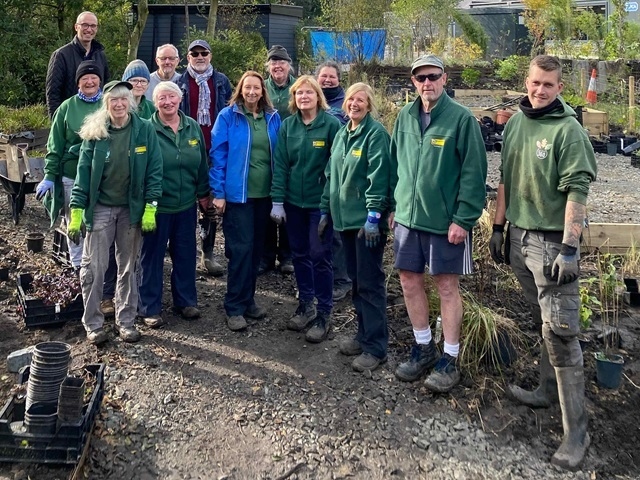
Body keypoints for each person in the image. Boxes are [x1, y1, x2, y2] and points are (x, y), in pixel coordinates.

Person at [490, 55, 596, 470]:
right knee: (543, 319)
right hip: (519, 236)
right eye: (535, 83)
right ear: (527, 81)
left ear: (559, 87)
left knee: (562, 333)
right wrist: (499, 228)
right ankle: (544, 390)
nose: (539, 90)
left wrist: (570, 248)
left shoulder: (568, 131)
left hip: (553, 244)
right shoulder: (517, 122)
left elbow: (577, 193)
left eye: (548, 85)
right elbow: (505, 178)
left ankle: (577, 435)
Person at [390, 54, 487, 392]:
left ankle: (450, 357)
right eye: (420, 78)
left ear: (445, 79)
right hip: (407, 218)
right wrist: (392, 205)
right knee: (408, 281)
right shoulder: (404, 116)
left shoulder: (461, 120)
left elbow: (475, 174)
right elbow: (394, 165)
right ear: (413, 82)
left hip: (446, 223)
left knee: (446, 286)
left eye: (432, 76)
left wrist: (463, 217)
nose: (426, 83)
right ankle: (423, 347)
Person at [68, 80, 163, 345]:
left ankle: (125, 320)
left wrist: (150, 208)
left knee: (127, 268)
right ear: (106, 104)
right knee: (94, 268)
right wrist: (77, 210)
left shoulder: (144, 130)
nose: (119, 104)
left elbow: (155, 171)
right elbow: (83, 176)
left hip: (131, 210)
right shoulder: (95, 133)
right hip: (100, 208)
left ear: (130, 102)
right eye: (113, 100)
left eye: (124, 99)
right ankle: (94, 323)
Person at [319, 82, 392, 372]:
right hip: (344, 221)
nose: (354, 105)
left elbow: (380, 175)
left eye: (361, 100)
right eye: (351, 100)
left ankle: (376, 347)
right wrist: (326, 209)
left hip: (366, 225)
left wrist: (374, 215)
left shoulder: (375, 135)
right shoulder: (342, 133)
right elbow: (331, 175)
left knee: (370, 283)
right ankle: (363, 336)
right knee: (356, 281)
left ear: (369, 105)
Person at [36, 60, 117, 317]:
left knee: (103, 229)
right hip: (73, 179)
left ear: (101, 80)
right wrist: (50, 176)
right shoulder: (66, 108)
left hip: (105, 180)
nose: (91, 82)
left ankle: (107, 288)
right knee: (77, 229)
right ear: (78, 82)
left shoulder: (110, 104)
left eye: (94, 77)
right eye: (85, 78)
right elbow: (55, 145)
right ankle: (81, 281)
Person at [271, 75, 341, 343]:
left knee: (320, 255)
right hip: (293, 203)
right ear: (294, 98)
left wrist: (327, 205)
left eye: (308, 93)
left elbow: (336, 168)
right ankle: (306, 304)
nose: (303, 97)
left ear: (318, 97)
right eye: (299, 93)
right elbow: (281, 165)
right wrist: (278, 200)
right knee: (299, 254)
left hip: (318, 205)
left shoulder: (331, 125)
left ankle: (324, 313)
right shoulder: (289, 127)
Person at [210, 71, 281, 332]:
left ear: (263, 91)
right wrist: (218, 193)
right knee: (240, 251)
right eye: (247, 88)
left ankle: (248, 299)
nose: (252, 92)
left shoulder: (272, 118)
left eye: (257, 88)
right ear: (240, 90)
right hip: (238, 196)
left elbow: (280, 155)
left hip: (265, 196)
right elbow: (218, 155)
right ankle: (234, 306)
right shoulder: (228, 117)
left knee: (255, 252)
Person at [138, 82, 211, 328]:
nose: (167, 102)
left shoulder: (192, 128)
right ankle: (149, 307)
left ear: (180, 100)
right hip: (156, 207)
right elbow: (139, 168)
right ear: (155, 102)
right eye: (162, 98)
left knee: (186, 254)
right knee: (152, 257)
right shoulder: (146, 129)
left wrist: (204, 195)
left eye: (172, 97)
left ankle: (186, 301)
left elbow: (202, 164)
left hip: (186, 205)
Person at [177, 39, 232, 277]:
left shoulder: (221, 82)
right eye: (194, 53)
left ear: (210, 56)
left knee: (210, 203)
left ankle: (207, 253)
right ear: (187, 57)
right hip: (187, 150)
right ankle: (182, 249)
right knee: (187, 200)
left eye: (204, 53)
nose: (199, 57)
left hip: (214, 148)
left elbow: (231, 110)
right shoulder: (179, 83)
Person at [315, 61, 351, 302]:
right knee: (318, 230)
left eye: (332, 77)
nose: (327, 80)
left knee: (336, 231)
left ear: (339, 80)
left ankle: (342, 280)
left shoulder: (345, 103)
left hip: (338, 175)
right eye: (323, 77)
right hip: (315, 176)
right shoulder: (311, 100)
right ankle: (321, 277)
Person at [261, 45, 295, 275]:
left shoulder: (298, 87)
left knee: (288, 203)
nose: (277, 66)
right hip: (266, 150)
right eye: (273, 62)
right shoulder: (263, 87)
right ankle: (266, 255)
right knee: (267, 203)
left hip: (293, 152)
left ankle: (287, 255)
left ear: (288, 65)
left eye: (281, 62)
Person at [46, 11, 109, 118]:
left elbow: (106, 87)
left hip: (97, 118)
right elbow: (53, 94)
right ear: (76, 27)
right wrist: (57, 122)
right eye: (85, 25)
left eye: (93, 26)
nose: (89, 29)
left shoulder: (100, 55)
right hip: (71, 118)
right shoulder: (61, 55)